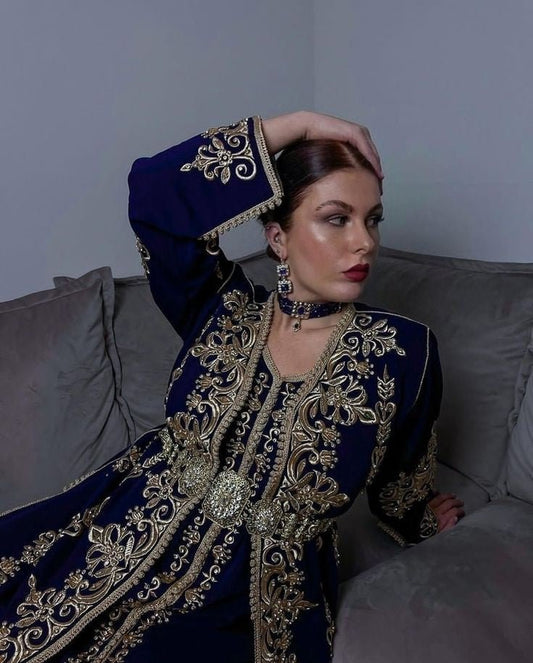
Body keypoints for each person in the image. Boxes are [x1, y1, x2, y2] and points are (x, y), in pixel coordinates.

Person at [0, 111, 464, 662]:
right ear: (278, 238)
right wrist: (299, 124)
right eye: (336, 219)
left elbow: (401, 478)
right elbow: (154, 194)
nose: (364, 242)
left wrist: (419, 517)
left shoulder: (402, 351)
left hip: (256, 591)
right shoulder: (222, 309)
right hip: (130, 520)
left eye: (373, 220)